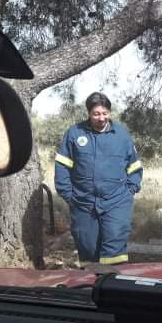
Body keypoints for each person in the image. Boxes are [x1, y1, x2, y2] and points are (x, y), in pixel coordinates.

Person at [54, 92, 142, 265]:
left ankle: (113, 285)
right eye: (96, 114)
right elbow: (62, 166)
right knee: (87, 247)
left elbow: (134, 167)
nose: (101, 118)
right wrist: (70, 196)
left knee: (115, 246)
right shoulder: (74, 133)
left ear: (109, 113)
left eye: (105, 113)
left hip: (117, 201)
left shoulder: (122, 135)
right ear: (88, 113)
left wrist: (130, 190)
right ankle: (91, 286)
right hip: (83, 203)